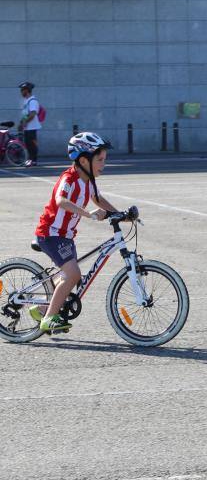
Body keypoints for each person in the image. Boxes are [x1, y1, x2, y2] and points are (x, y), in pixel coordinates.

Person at [31, 132, 120, 333]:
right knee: (73, 274)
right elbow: (61, 201)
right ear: (83, 160)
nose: (103, 164)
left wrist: (120, 213)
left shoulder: (89, 181)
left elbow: (98, 199)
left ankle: (42, 309)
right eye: (99, 160)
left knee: (70, 277)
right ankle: (49, 319)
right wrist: (88, 214)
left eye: (104, 159)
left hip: (66, 236)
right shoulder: (69, 178)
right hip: (51, 233)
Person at [18, 82, 41, 167]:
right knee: (27, 144)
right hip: (27, 127)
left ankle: (33, 160)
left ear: (26, 90)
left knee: (31, 144)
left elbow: (33, 114)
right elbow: (26, 114)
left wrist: (25, 122)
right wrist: (21, 122)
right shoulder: (26, 101)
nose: (21, 92)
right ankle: (30, 159)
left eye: (22, 90)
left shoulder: (32, 101)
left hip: (32, 127)